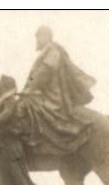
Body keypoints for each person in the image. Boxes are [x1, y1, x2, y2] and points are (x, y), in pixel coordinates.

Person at [19, 26, 95, 155]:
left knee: (25, 106)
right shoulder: (47, 51)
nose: (37, 39)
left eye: (40, 36)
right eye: (37, 37)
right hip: (44, 93)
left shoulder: (53, 51)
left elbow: (44, 73)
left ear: (48, 37)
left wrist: (29, 89)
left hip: (53, 96)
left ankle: (35, 140)